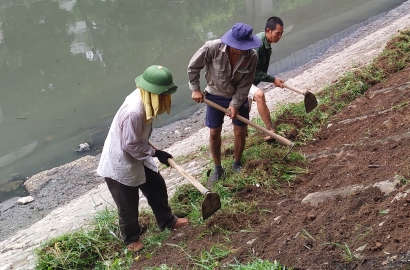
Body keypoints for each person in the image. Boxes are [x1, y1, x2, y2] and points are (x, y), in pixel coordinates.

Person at [96, 65, 189, 253]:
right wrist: (156, 153)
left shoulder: (146, 99)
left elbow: (137, 138)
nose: (165, 99)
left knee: (156, 186)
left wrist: (155, 151)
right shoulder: (134, 111)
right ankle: (131, 239)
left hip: (138, 155)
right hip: (120, 162)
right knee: (127, 203)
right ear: (153, 92)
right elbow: (129, 145)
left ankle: (167, 220)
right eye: (163, 95)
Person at [188, 23, 260, 186]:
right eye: (241, 46)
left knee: (240, 130)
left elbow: (245, 85)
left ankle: (236, 163)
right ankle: (218, 168)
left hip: (238, 96)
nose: (245, 49)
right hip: (214, 95)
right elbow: (193, 67)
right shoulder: (211, 48)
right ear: (232, 43)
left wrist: (235, 104)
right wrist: (195, 89)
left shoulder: (252, 57)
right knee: (214, 132)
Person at [250, 17, 285, 141]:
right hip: (241, 80)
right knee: (260, 96)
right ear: (269, 30)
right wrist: (272, 79)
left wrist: (273, 79)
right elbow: (253, 71)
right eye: (278, 33)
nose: (280, 36)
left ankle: (243, 136)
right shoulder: (257, 45)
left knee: (243, 110)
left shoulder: (267, 42)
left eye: (281, 34)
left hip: (249, 80)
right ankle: (271, 131)